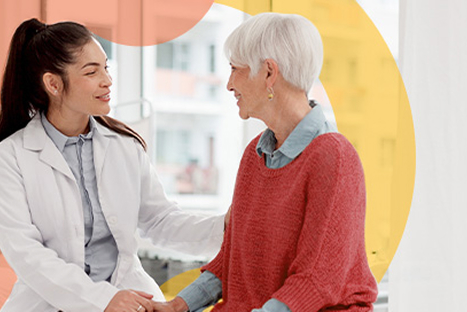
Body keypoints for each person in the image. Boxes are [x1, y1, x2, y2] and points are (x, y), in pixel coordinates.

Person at [0, 19, 225, 312]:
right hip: (51, 304)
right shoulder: (11, 157)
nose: (107, 80)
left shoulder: (124, 146)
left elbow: (161, 221)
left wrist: (226, 227)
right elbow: (26, 253)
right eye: (91, 71)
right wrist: (102, 300)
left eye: (106, 67)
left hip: (129, 298)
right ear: (53, 84)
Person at [153, 13, 378, 312]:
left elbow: (316, 280)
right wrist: (177, 306)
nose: (229, 84)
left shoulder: (333, 157)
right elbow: (231, 262)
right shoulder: (254, 155)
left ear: (269, 73)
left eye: (235, 69)